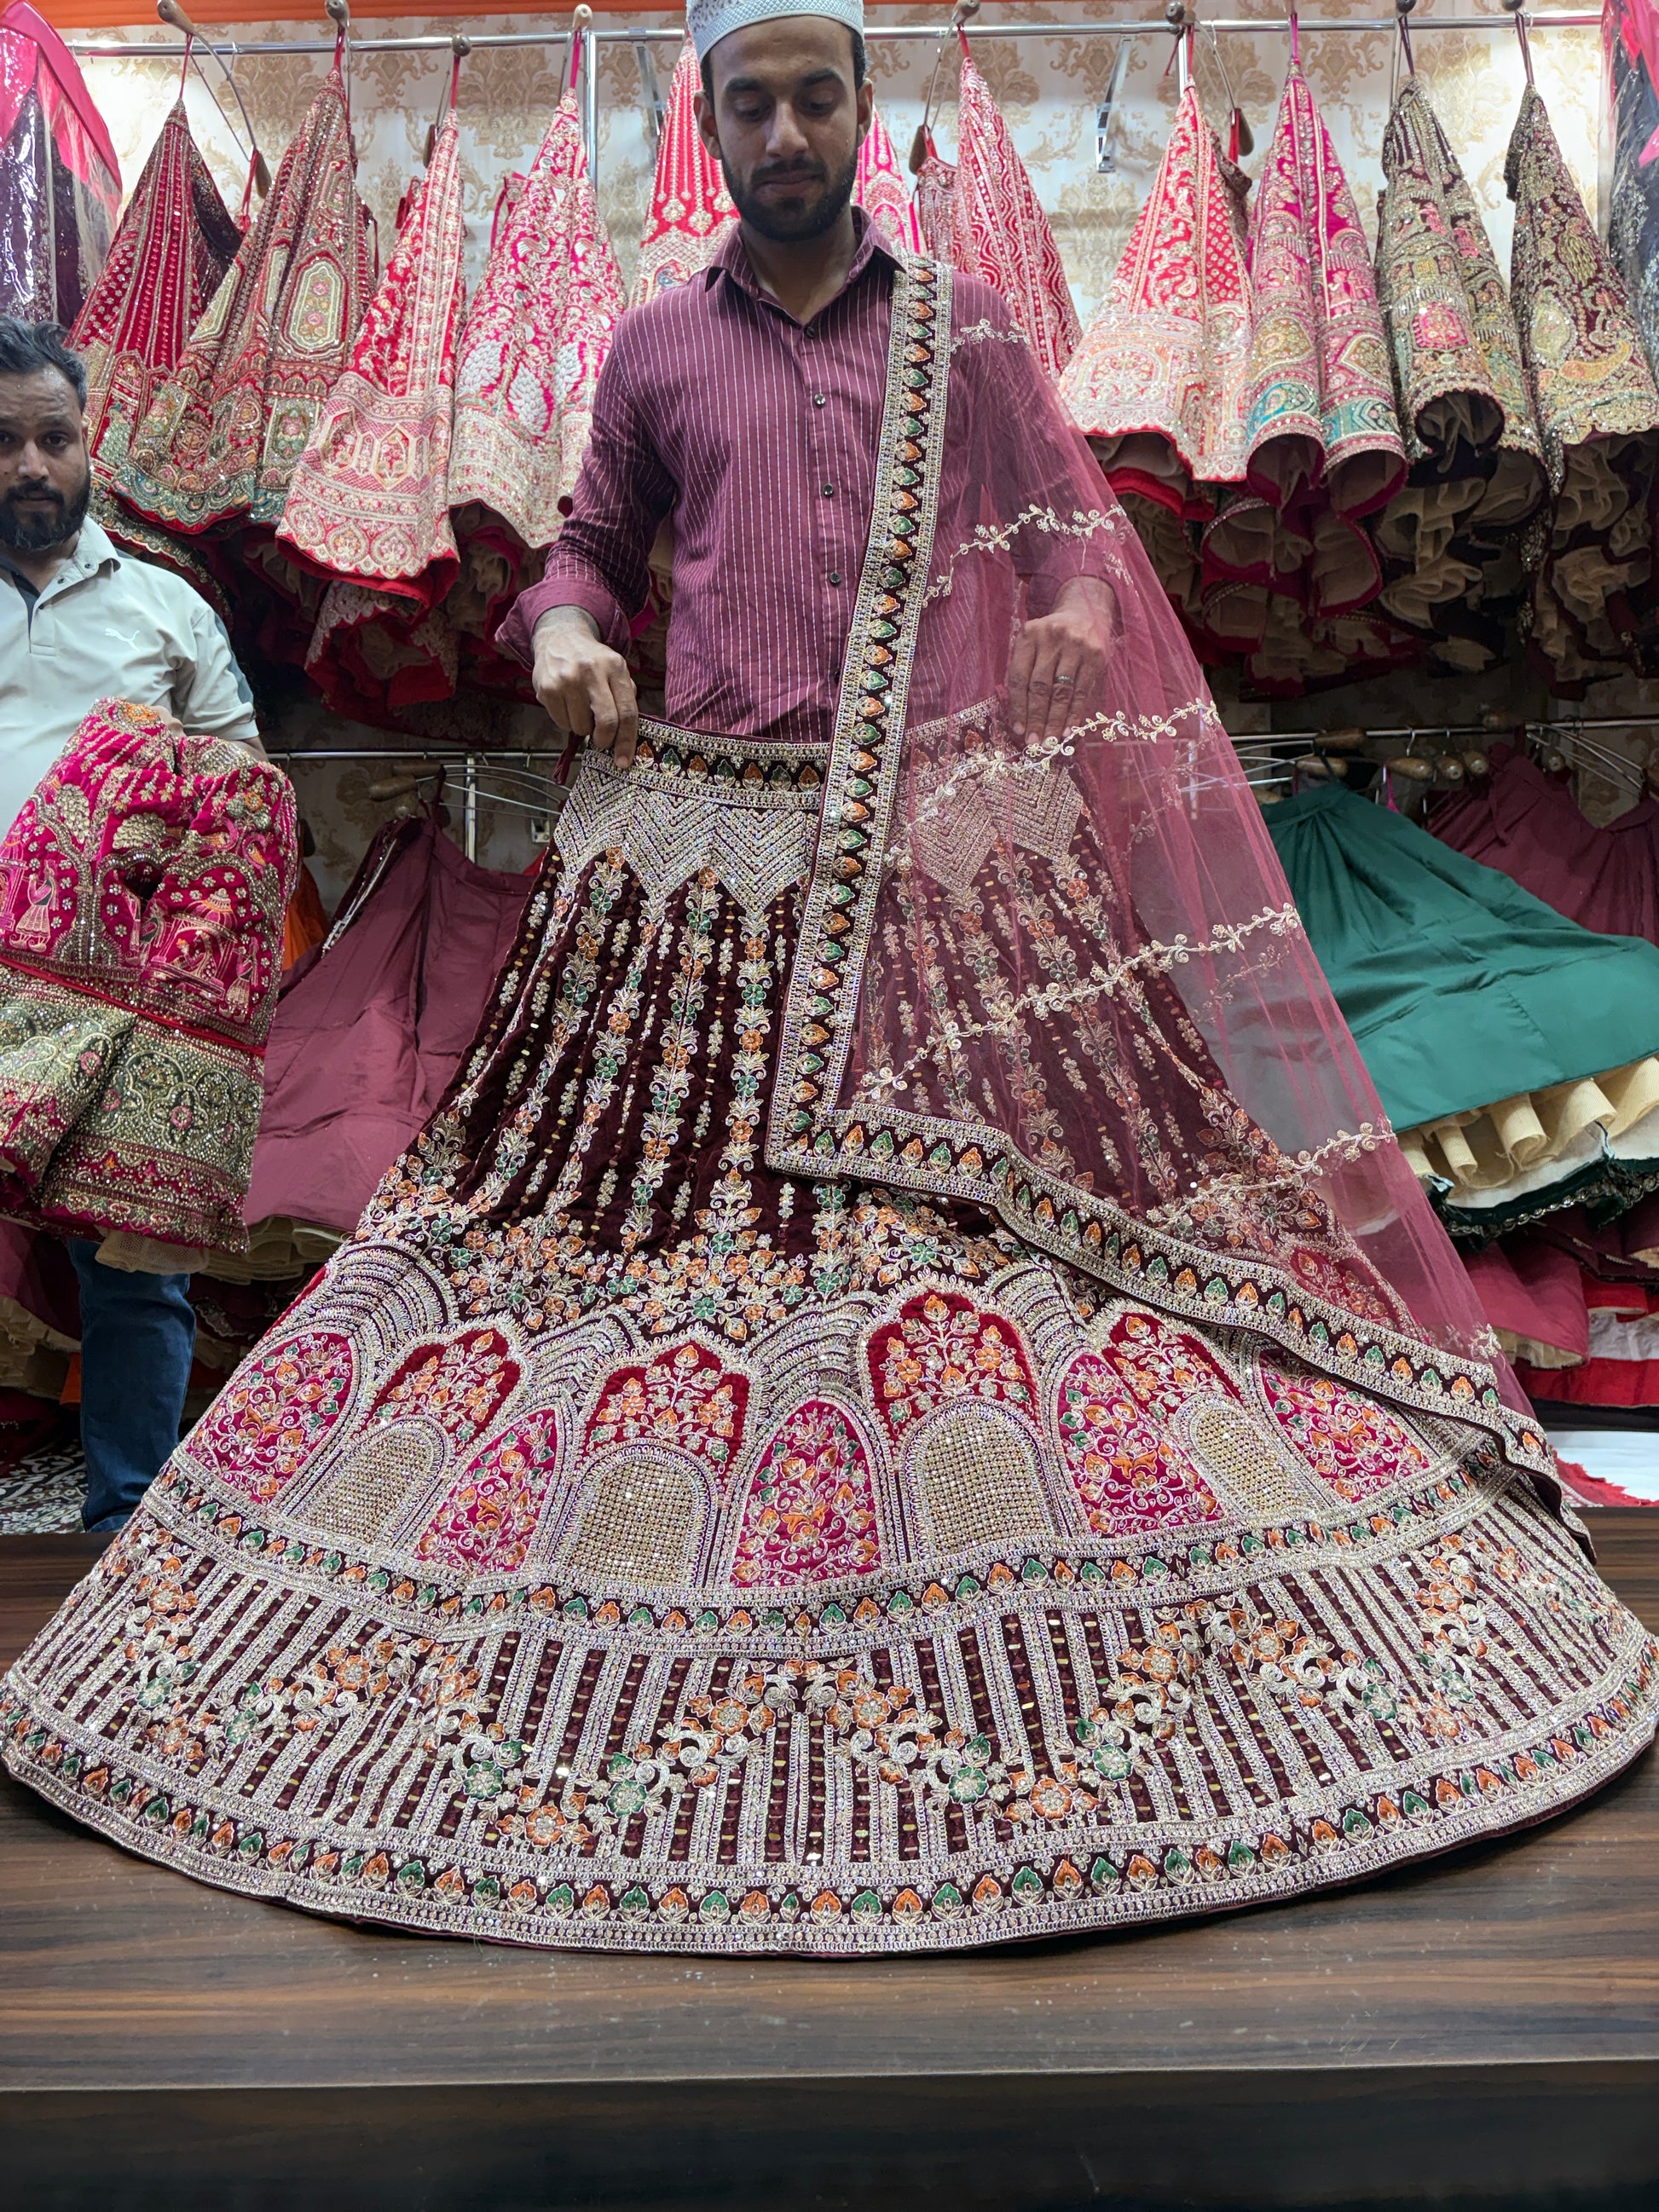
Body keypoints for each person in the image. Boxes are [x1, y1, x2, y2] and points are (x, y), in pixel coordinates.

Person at [2, 4, 1652, 1954]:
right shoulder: (656, 345)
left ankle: (988, 1637)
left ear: (862, 111)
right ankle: (666, 1617)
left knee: (988, 1268)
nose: (784, 130)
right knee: (614, 1257)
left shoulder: (967, 333)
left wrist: (1059, 620)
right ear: (708, 121)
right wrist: (560, 638)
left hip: (937, 870)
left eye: (814, 95)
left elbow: (1067, 546)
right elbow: (586, 553)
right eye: (750, 101)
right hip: (700, 879)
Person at [0, 318, 264, 1531]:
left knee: (133, 1266)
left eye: (53, 438)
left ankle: (126, 1531)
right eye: (4, 442)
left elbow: (242, 799)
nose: (30, 465)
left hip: (120, 1000)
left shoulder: (167, 610)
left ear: (88, 440)